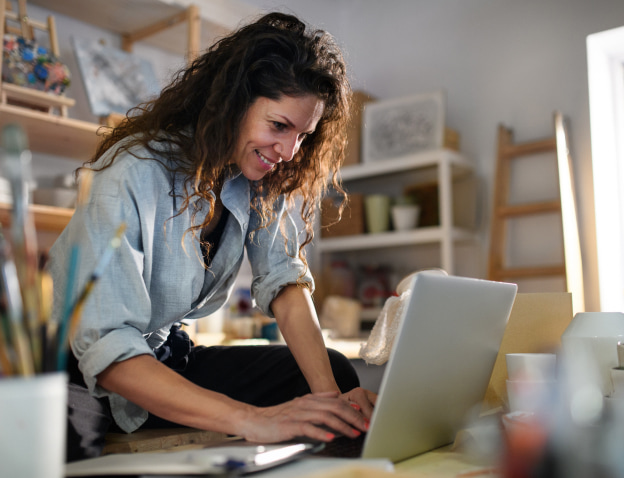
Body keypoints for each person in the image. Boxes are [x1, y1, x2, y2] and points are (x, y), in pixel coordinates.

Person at [48, 12, 376, 461]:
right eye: (279, 126)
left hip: (164, 360)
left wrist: (330, 400)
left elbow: (284, 282)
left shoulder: (259, 176)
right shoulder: (133, 171)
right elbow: (108, 348)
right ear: (234, 103)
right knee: (64, 447)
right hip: (78, 371)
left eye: (303, 135)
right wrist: (251, 418)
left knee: (332, 375)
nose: (289, 152)